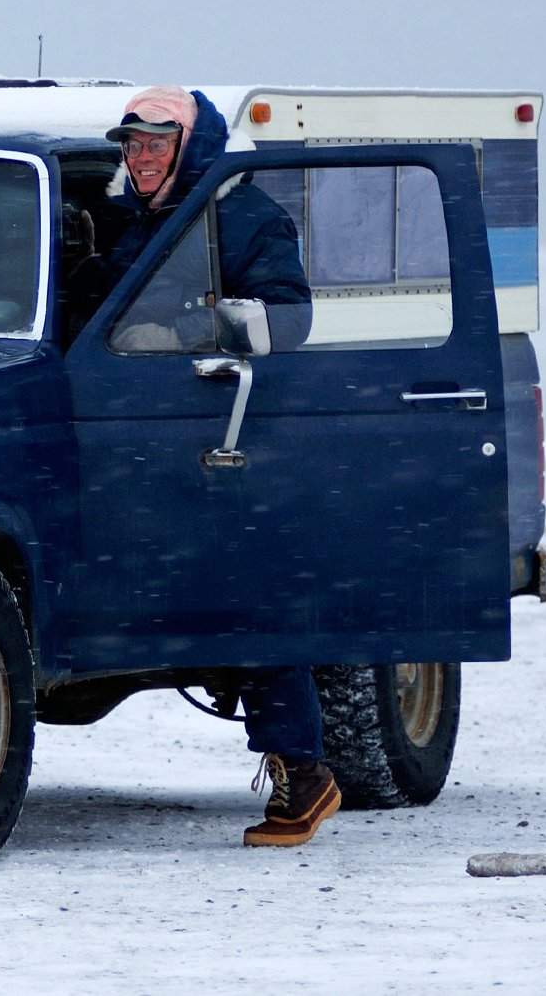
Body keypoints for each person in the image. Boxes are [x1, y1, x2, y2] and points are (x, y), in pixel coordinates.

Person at [71, 86, 339, 848]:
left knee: (244, 592)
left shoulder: (247, 215)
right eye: (133, 144)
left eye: (156, 143)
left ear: (188, 146)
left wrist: (198, 327)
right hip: (128, 431)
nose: (141, 157)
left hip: (221, 430)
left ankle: (304, 774)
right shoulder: (129, 220)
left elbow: (289, 313)